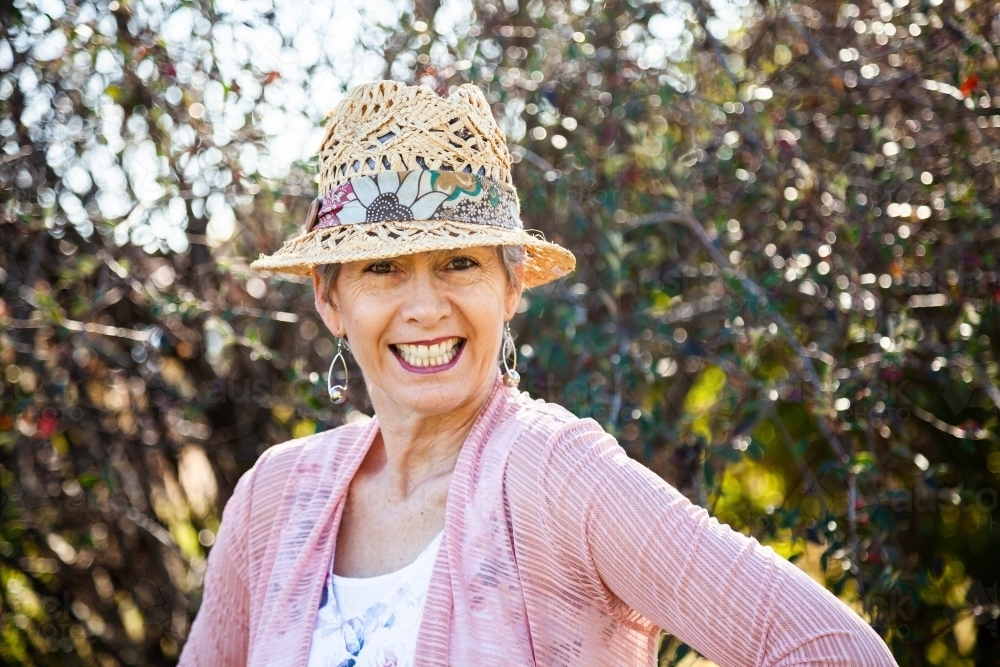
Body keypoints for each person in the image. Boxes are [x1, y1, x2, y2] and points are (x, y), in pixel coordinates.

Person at [177, 80, 897, 667]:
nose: (427, 307)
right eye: (383, 267)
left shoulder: (559, 476)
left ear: (511, 288)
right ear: (329, 299)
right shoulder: (275, 498)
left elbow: (835, 651)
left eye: (460, 262)